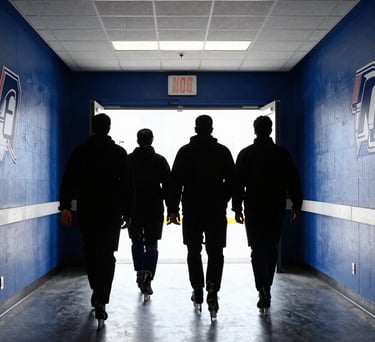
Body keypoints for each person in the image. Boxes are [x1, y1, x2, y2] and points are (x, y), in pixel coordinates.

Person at [59, 113, 134, 330]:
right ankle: (102, 298)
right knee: (108, 255)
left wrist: (65, 206)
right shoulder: (119, 153)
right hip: (111, 211)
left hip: (88, 210)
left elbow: (69, 179)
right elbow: (128, 185)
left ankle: (96, 292)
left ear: (92, 128)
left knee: (91, 252)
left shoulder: (81, 153)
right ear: (109, 128)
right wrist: (128, 212)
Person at [232, 115, 303, 316]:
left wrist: (236, 208)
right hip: (275, 206)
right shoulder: (282, 154)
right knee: (271, 247)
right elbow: (294, 181)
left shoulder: (246, 154)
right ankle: (267, 286)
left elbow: (238, 184)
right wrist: (297, 205)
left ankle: (261, 286)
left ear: (255, 130)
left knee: (256, 248)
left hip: (253, 207)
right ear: (270, 130)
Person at [167, 115, 235, 321]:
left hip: (192, 209)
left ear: (195, 128)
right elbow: (233, 180)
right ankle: (213, 288)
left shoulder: (185, 152)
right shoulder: (222, 151)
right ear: (211, 128)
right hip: (215, 210)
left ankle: (197, 289)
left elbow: (174, 182)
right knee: (216, 252)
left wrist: (172, 208)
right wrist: (223, 198)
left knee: (193, 251)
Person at [128, 128, 170, 302]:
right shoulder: (160, 161)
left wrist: (124, 209)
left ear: (137, 140)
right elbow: (168, 185)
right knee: (152, 244)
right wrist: (173, 208)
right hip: (154, 208)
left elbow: (122, 185)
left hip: (134, 208)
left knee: (136, 241)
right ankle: (148, 274)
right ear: (152, 140)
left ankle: (139, 271)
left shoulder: (128, 160)